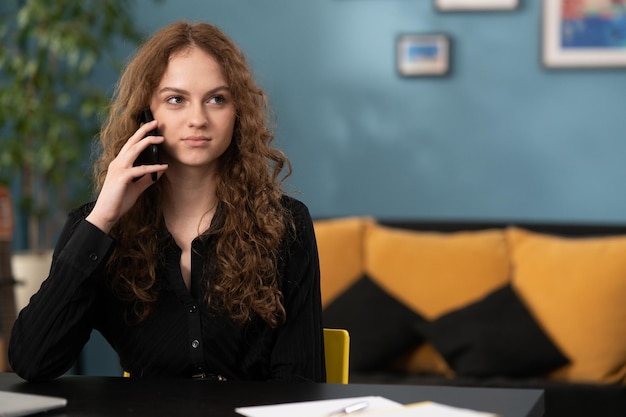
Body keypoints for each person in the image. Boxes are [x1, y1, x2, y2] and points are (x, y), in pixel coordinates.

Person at [9, 21, 326, 382]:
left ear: (238, 113)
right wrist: (102, 220)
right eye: (176, 99)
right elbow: (32, 360)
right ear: (146, 114)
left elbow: (301, 382)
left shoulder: (286, 223)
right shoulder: (99, 228)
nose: (198, 119)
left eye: (217, 99)